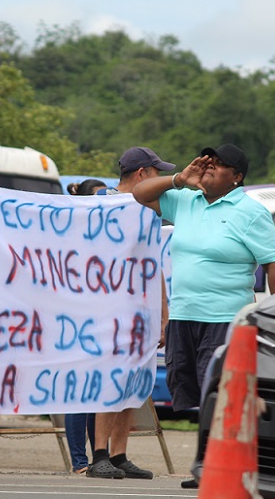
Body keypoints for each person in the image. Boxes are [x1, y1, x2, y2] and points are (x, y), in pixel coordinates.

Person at [132, 143, 275, 416]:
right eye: (208, 161)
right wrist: (178, 179)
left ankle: (219, 456)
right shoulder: (186, 200)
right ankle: (208, 456)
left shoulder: (251, 211)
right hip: (183, 317)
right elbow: (139, 194)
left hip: (224, 319)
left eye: (219, 163)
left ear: (236, 176)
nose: (210, 166)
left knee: (217, 393)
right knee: (190, 396)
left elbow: (274, 265)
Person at [87, 147, 174, 480]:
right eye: (156, 173)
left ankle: (120, 453)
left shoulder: (148, 211)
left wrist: (163, 314)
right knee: (110, 381)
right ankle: (99, 453)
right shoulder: (103, 205)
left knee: (133, 382)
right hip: (108, 309)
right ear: (142, 174)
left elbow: (154, 266)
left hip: (140, 310)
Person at [61, 178, 106, 474]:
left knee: (96, 394)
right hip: (74, 323)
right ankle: (80, 462)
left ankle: (98, 459)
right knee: (79, 393)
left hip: (102, 322)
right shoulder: (70, 236)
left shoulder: (107, 236)